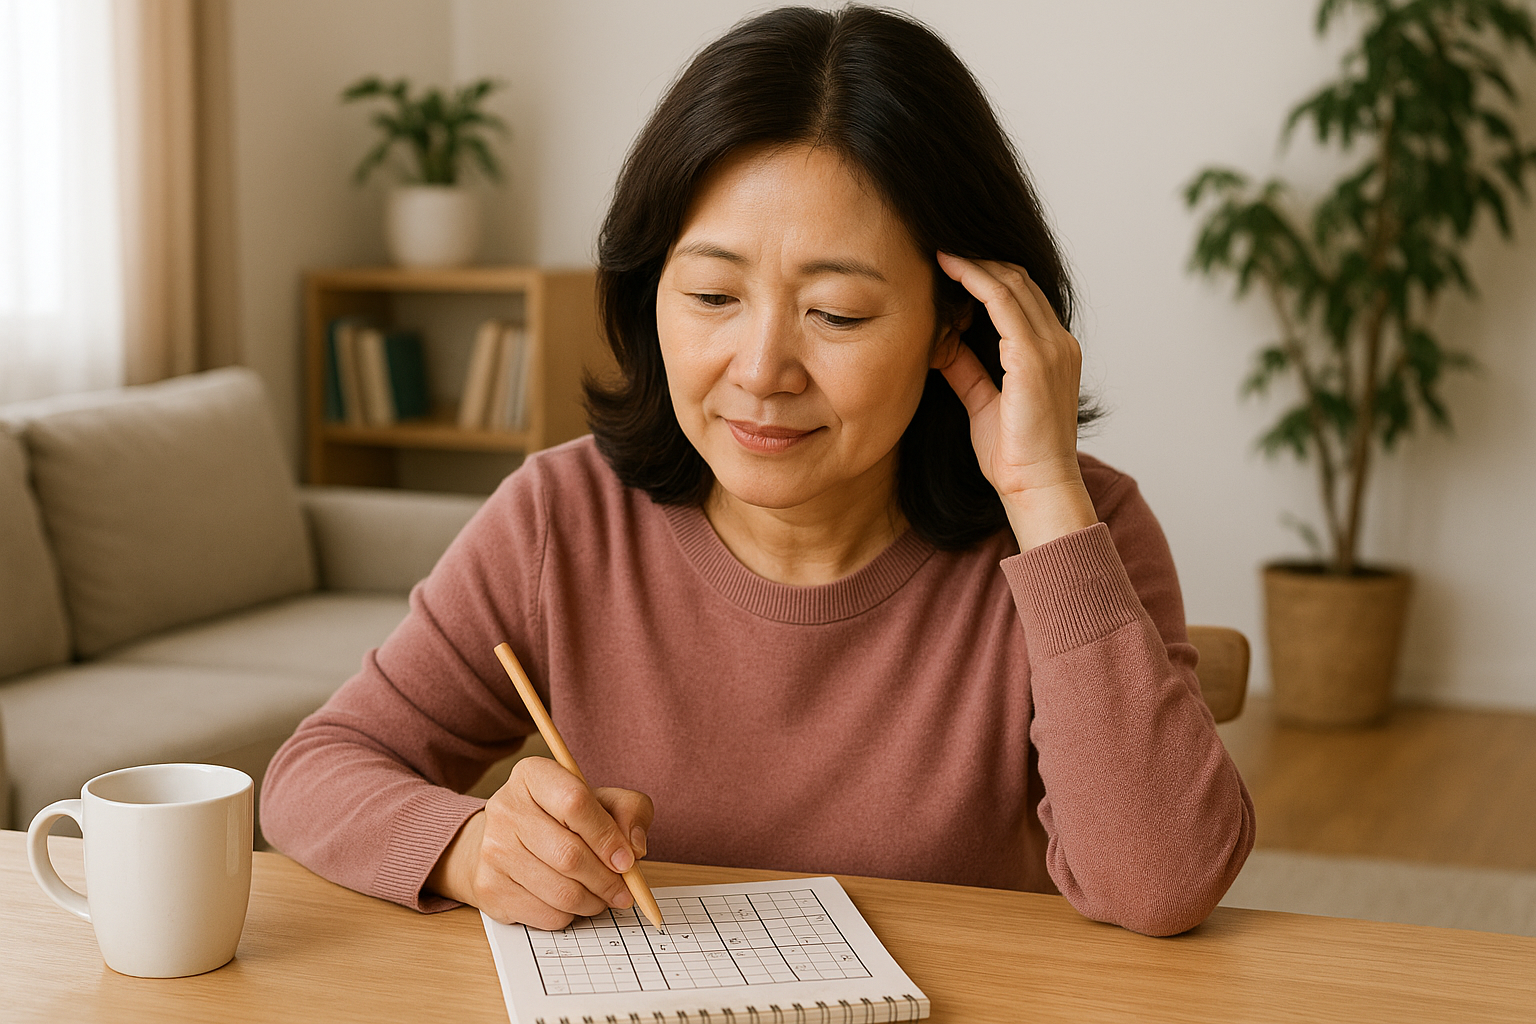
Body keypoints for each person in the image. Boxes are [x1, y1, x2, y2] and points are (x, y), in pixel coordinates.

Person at [261, 5, 1254, 938]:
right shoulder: (563, 518)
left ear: (959, 317)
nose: (761, 370)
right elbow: (315, 771)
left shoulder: (1083, 528)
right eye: (711, 293)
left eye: (838, 313)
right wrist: (475, 848)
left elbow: (1160, 883)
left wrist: (1042, 496)